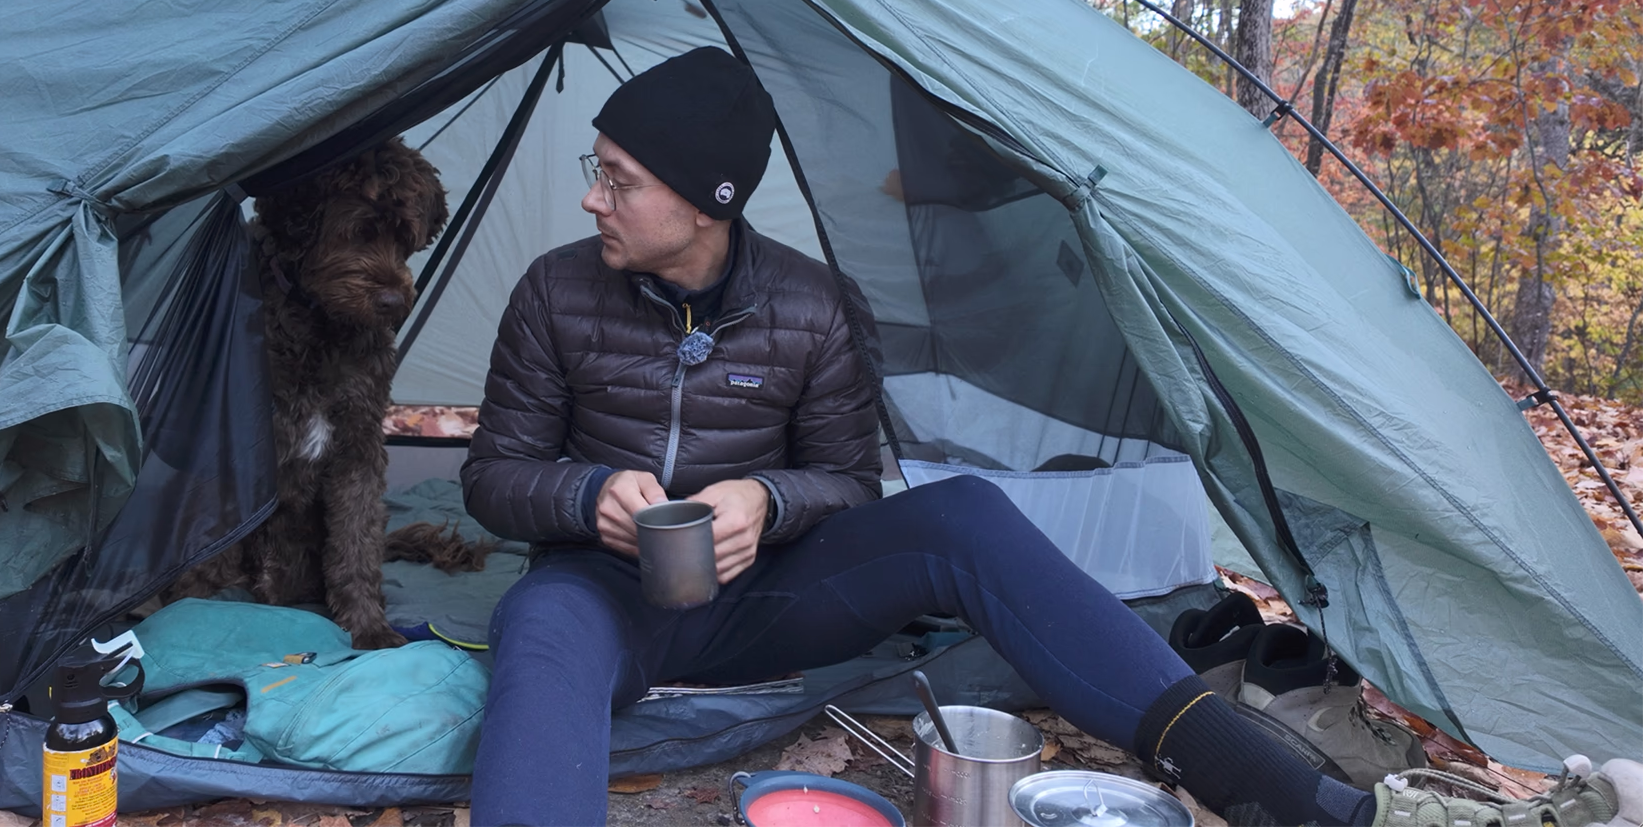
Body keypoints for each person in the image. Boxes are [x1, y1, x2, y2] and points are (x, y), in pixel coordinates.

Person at [458, 47, 1641, 827]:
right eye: (596, 172)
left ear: (707, 198)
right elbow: (492, 479)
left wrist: (768, 504)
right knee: (537, 628)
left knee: (963, 518)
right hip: (602, 596)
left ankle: (1301, 800)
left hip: (765, 599)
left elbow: (844, 484)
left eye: (617, 177)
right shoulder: (556, 293)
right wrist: (584, 501)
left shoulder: (813, 305)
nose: (592, 198)